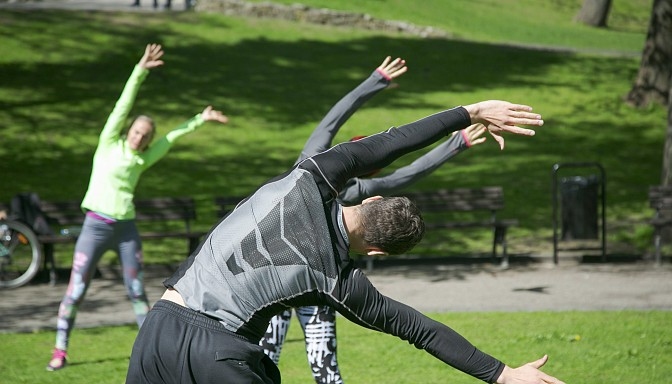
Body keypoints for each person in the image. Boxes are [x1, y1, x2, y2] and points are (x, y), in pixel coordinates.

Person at [126, 99, 565, 384]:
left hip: (158, 326)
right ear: (375, 252)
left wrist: (470, 112)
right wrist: (503, 375)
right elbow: (417, 329)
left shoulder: (311, 175)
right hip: (218, 357)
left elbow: (393, 143)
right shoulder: (336, 281)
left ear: (370, 197)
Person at [259, 56, 487, 384]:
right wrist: (456, 143)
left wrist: (376, 81)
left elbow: (332, 121)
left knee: (279, 366)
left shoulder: (319, 168)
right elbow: (408, 173)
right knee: (318, 371)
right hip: (298, 284)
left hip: (285, 282)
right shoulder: (351, 184)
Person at [45, 43, 229, 372]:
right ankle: (60, 350)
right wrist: (140, 71)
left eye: (144, 135)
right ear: (128, 130)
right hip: (95, 228)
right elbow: (122, 105)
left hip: (126, 230)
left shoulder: (142, 159)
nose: (139, 137)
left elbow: (171, 138)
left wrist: (200, 119)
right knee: (76, 290)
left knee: (137, 293)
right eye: (136, 131)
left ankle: (152, 352)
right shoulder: (107, 144)